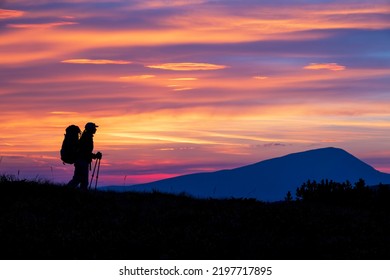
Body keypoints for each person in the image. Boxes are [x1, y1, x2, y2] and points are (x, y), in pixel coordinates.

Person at [68, 122, 102, 190]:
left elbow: (85, 151)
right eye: (94, 128)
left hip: (81, 161)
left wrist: (94, 156)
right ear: (90, 129)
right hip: (82, 162)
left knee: (82, 181)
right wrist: (95, 156)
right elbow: (85, 152)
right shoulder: (87, 138)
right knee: (78, 180)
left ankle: (79, 196)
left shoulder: (86, 136)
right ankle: (66, 192)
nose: (95, 129)